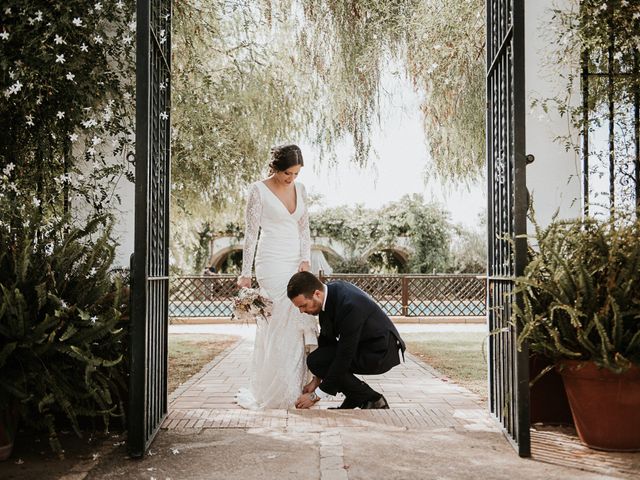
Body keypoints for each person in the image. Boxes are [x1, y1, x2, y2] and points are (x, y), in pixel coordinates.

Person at [236, 144, 318, 409]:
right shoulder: (258, 190)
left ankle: (298, 386)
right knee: (278, 319)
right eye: (287, 173)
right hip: (270, 262)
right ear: (275, 168)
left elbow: (304, 228)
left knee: (298, 319)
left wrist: (305, 258)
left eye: (296, 174)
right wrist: (245, 274)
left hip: (296, 261)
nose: (291, 179)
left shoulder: (301, 190)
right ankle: (276, 388)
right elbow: (251, 234)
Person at [287, 271, 406, 409]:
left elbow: (345, 355)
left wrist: (315, 396)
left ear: (317, 294)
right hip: (363, 345)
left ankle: (373, 399)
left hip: (379, 351)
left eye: (303, 305)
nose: (301, 311)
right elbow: (327, 340)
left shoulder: (349, 304)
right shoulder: (328, 294)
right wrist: (317, 379)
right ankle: (356, 396)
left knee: (327, 361)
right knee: (317, 360)